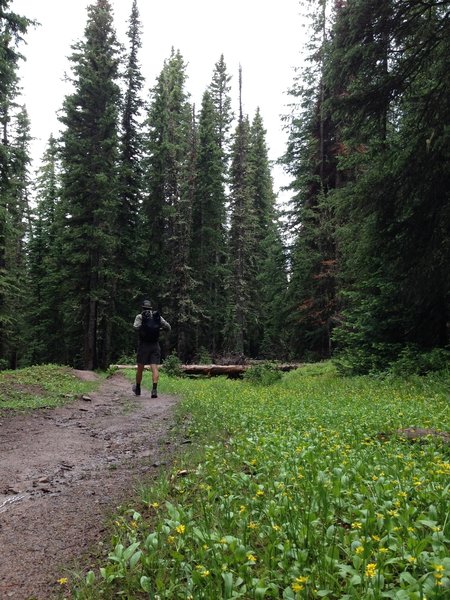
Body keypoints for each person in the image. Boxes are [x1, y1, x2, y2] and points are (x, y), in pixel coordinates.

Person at [132, 300, 171, 397]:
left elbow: (135, 327)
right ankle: (154, 390)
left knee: (140, 368)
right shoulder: (157, 317)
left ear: (143, 308)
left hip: (143, 345)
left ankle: (138, 389)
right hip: (155, 345)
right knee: (154, 368)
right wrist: (159, 329)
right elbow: (168, 327)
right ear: (151, 308)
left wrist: (144, 328)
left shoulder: (140, 316)